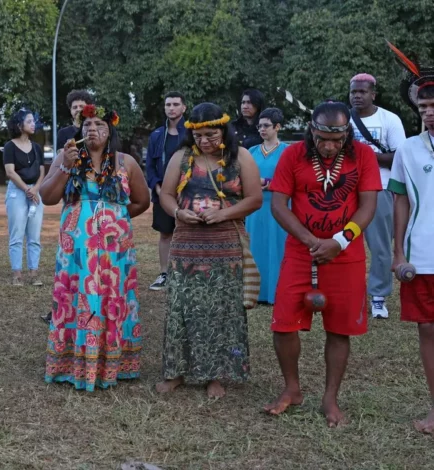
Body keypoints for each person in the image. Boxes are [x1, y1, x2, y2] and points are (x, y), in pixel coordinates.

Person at [264, 101, 381, 427]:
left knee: (339, 328)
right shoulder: (293, 155)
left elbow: (368, 206)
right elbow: (278, 204)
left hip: (346, 254)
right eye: (322, 139)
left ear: (347, 134)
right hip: (301, 252)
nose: (329, 146)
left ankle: (330, 398)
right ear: (311, 131)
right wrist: (309, 240)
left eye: (337, 139)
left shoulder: (363, 156)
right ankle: (292, 389)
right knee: (283, 323)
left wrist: (339, 241)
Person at [155, 103, 262, 398]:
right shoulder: (182, 156)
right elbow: (165, 194)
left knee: (221, 310)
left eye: (211, 135)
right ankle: (176, 372)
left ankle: (216, 375)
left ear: (224, 131)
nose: (205, 142)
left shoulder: (240, 157)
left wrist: (223, 215)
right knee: (181, 308)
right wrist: (178, 213)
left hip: (226, 244)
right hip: (186, 243)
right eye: (199, 136)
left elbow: (254, 199)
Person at [40, 104, 150, 391]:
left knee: (113, 297)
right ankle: (74, 361)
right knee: (77, 297)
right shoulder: (68, 158)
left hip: (116, 250)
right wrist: (65, 165)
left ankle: (113, 362)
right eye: (86, 125)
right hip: (76, 249)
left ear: (111, 130)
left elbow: (142, 200)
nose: (92, 129)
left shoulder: (126, 163)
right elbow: (47, 197)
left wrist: (116, 219)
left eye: (99, 124)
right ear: (79, 131)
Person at [389, 80, 434, 434]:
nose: (429, 112)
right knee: (428, 330)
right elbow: (400, 200)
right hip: (421, 258)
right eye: (423, 108)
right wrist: (399, 251)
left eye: (433, 106)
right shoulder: (407, 149)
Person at [349, 73, 407, 319]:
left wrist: (365, 158)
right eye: (353, 92)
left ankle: (379, 298)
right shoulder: (343, 118)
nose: (357, 96)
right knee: (342, 244)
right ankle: (346, 294)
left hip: (379, 188)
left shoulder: (389, 119)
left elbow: (399, 155)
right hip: (345, 189)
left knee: (380, 246)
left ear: (374, 94)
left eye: (363, 92)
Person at [245, 108, 289, 304]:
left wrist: (269, 183)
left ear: (277, 127)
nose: (262, 129)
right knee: (255, 247)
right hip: (254, 208)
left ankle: (276, 291)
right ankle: (255, 292)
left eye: (266, 126)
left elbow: (293, 178)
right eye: (259, 125)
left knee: (277, 247)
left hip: (279, 207)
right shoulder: (250, 152)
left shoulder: (288, 151)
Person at [146, 91, 187, 291]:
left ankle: (185, 274)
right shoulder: (156, 135)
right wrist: (159, 189)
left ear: (184, 108)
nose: (171, 108)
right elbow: (151, 167)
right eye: (168, 104)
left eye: (175, 104)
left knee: (187, 233)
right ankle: (164, 274)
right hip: (162, 194)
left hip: (187, 194)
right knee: (165, 233)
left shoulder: (191, 133)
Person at [3, 108, 45, 286]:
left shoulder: (36, 147)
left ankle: (34, 273)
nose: (33, 124)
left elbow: (42, 170)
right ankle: (17, 274)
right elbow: (10, 172)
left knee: (34, 235)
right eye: (29, 121)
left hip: (35, 191)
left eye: (33, 121)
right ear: (19, 125)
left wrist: (35, 189)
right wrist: (27, 190)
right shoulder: (10, 146)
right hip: (17, 192)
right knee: (17, 234)